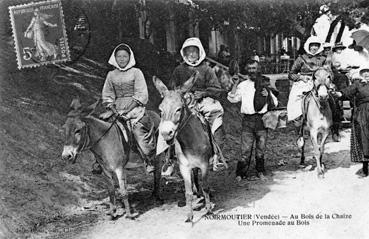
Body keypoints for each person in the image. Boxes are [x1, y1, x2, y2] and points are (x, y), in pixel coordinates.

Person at [168, 37, 226, 171]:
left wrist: (204, 93)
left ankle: (217, 156)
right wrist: (180, 96)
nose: (191, 55)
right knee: (168, 122)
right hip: (184, 102)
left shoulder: (206, 69)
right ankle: (169, 159)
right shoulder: (179, 70)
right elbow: (172, 88)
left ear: (200, 53)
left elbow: (217, 88)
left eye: (194, 51)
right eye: (188, 52)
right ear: (184, 53)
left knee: (216, 116)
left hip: (203, 101)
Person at [99, 43, 156, 174]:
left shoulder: (136, 72)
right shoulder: (111, 74)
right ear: (115, 58)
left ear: (130, 57)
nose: (122, 59)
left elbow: (141, 93)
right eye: (119, 56)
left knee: (138, 132)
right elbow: (107, 94)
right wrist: (113, 109)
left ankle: (148, 159)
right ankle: (99, 162)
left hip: (134, 108)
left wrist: (128, 110)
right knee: (101, 130)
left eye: (125, 56)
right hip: (116, 107)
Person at [227, 59, 278, 181]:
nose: (252, 71)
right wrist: (234, 85)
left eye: (254, 68)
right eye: (249, 69)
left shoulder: (265, 84)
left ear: (258, 69)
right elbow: (232, 99)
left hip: (262, 120)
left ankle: (260, 171)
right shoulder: (242, 85)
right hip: (248, 121)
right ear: (247, 70)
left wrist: (268, 95)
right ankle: (241, 173)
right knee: (245, 149)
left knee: (261, 149)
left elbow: (275, 103)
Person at [333, 67, 369, 177]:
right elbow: (346, 92)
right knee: (364, 137)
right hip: (362, 113)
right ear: (362, 75)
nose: (367, 75)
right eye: (365, 73)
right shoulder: (358, 84)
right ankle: (365, 167)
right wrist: (338, 93)